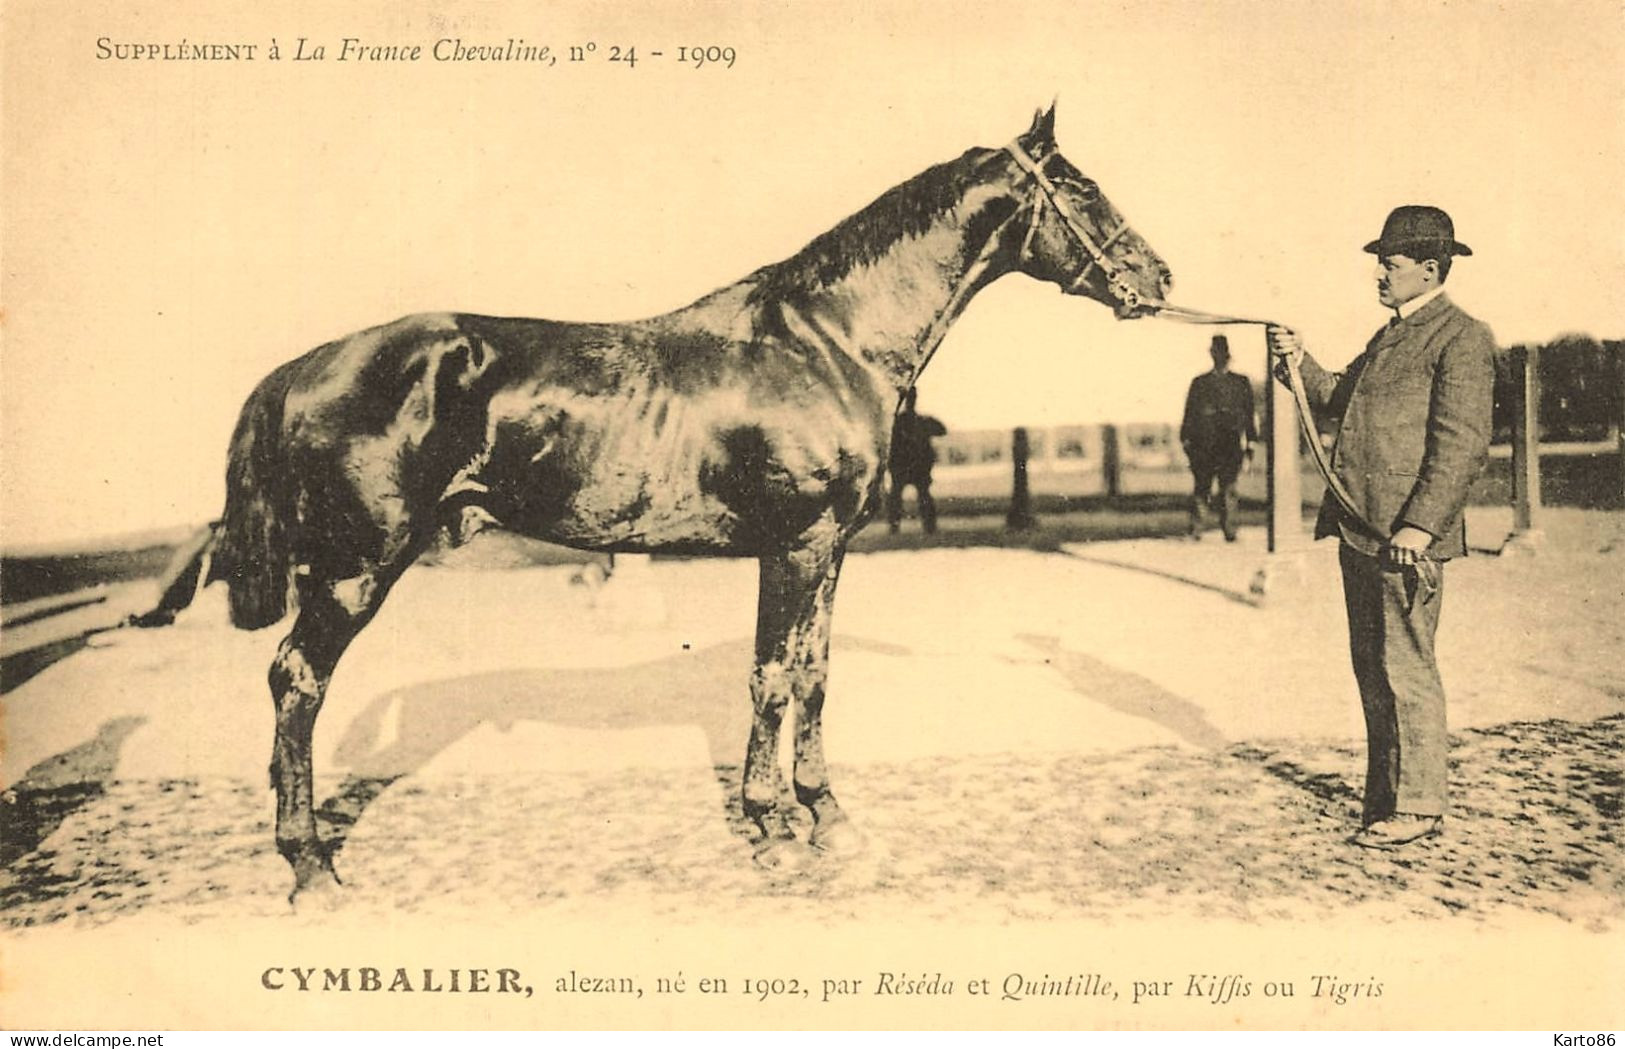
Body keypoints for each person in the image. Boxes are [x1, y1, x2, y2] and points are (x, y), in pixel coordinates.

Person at [1267, 205, 1495, 850]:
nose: (1378, 274)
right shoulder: (1390, 335)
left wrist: (1421, 527)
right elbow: (1338, 395)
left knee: (1407, 666)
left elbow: (1462, 445)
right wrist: (1297, 360)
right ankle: (1386, 797)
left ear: (1430, 268)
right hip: (1361, 529)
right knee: (1373, 666)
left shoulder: (1461, 337)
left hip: (1404, 540)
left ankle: (1419, 805)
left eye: (1390, 264)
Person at [1179, 334, 1257, 541]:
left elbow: (1249, 415)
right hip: (1203, 446)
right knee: (1201, 489)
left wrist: (1250, 443)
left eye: (1222, 354)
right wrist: (1185, 440)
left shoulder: (1240, 383)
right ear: (1211, 355)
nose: (1219, 357)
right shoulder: (1200, 383)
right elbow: (1189, 414)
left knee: (1228, 489)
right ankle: (1195, 530)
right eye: (1216, 353)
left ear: (1228, 356)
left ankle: (1230, 532)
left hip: (1229, 446)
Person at [887, 389, 947, 534]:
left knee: (920, 496)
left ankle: (928, 526)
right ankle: (896, 526)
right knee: (898, 497)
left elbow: (942, 430)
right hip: (904, 466)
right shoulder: (898, 421)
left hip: (916, 467)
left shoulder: (906, 421)